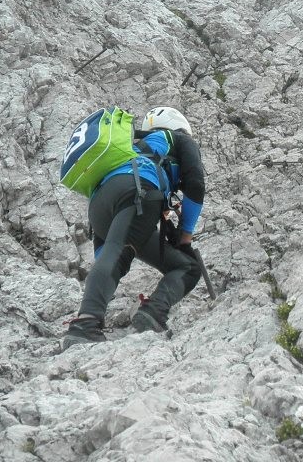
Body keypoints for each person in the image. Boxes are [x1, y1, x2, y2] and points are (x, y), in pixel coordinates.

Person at [62, 106, 205, 351]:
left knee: (186, 267)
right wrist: (186, 233)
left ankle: (152, 313)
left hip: (101, 205)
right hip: (138, 191)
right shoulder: (177, 138)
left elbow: (107, 260)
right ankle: (85, 325)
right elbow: (195, 184)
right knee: (117, 254)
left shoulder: (132, 147)